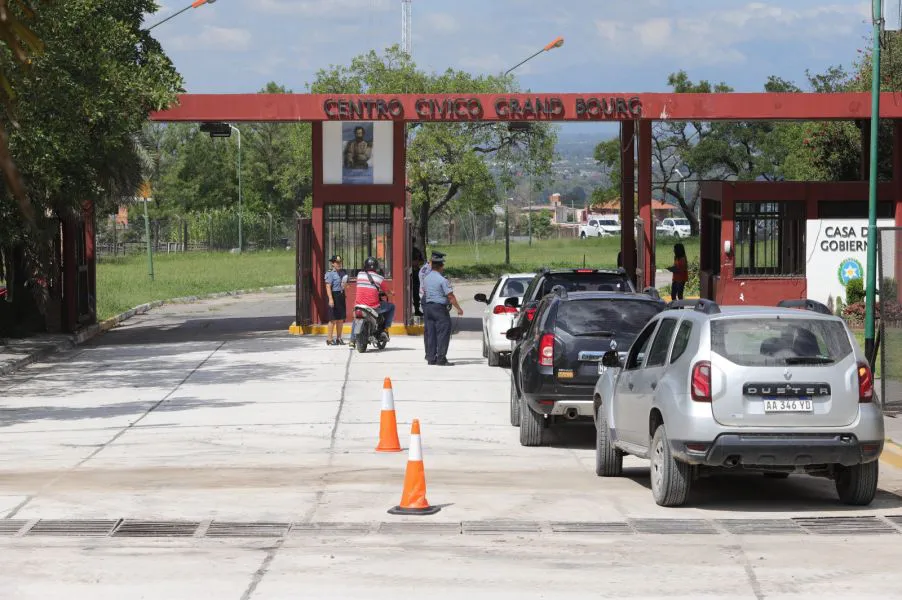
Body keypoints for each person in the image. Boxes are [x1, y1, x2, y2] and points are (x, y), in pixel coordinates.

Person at [422, 254, 463, 366]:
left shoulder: (426, 278)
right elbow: (450, 296)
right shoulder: (442, 280)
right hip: (439, 309)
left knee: (431, 333)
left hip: (428, 307)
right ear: (441, 266)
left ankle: (431, 358)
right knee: (443, 332)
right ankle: (441, 359)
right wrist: (459, 309)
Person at [354, 256, 395, 334]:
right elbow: (388, 292)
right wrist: (392, 293)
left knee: (356, 319)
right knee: (392, 306)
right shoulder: (379, 278)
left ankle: (352, 340)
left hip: (359, 305)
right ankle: (386, 328)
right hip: (372, 306)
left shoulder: (359, 275)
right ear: (376, 267)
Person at [324, 255, 348, 346]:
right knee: (332, 319)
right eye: (337, 262)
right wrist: (330, 299)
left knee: (341, 319)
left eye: (340, 262)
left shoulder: (343, 272)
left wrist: (345, 285)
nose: (339, 264)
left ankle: (339, 338)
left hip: (341, 295)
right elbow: (328, 286)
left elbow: (346, 286)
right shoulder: (330, 273)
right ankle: (329, 339)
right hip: (334, 295)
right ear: (333, 263)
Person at [411, 248, 424, 317]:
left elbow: (422, 261)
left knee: (416, 293)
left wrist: (417, 263)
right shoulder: (406, 249)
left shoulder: (416, 251)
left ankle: (417, 310)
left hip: (416, 273)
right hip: (408, 272)